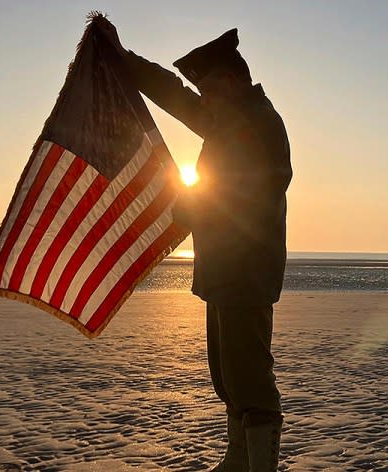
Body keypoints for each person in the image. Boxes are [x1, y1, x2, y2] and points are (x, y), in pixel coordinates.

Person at [98, 23, 291, 472]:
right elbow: (175, 95)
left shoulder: (261, 122)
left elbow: (251, 192)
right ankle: (238, 457)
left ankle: (259, 464)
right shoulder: (228, 117)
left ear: (230, 80)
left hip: (247, 272)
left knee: (249, 377)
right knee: (227, 376)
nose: (201, 97)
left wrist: (190, 207)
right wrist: (122, 57)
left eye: (207, 87)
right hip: (222, 270)